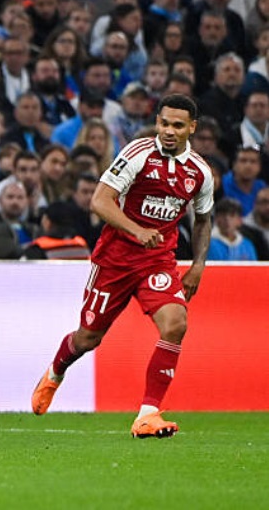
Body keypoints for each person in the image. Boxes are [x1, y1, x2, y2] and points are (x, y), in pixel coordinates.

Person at [31, 94, 214, 438]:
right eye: (164, 123)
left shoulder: (200, 172)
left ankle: (147, 414)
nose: (169, 131)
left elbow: (203, 219)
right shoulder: (137, 153)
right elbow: (99, 201)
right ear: (157, 122)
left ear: (192, 128)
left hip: (157, 261)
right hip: (115, 260)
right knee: (87, 339)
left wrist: (198, 265)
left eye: (177, 125)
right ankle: (55, 372)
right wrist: (137, 230)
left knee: (176, 324)